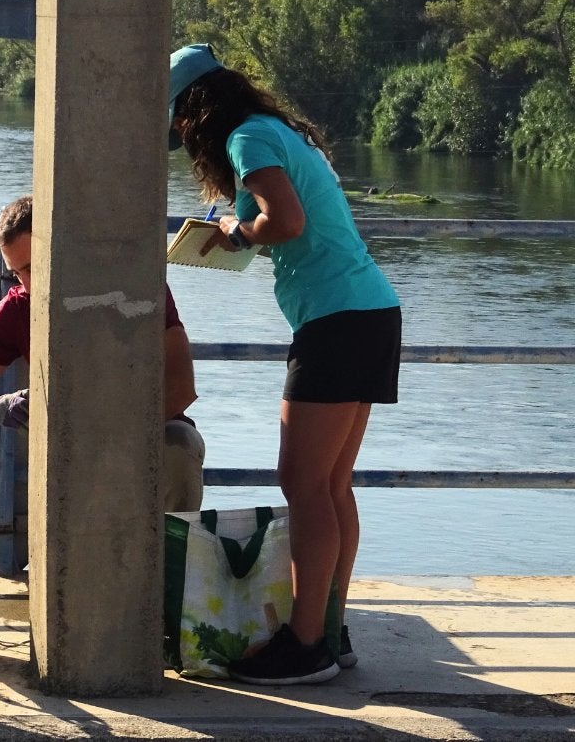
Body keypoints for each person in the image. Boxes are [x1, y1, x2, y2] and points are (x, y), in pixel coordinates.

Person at [168, 43, 402, 686]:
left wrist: (236, 234)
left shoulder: (246, 139)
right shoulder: (276, 131)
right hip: (369, 312)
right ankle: (330, 630)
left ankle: (305, 646)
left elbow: (286, 221)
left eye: (178, 125)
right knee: (328, 486)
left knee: (302, 484)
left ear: (194, 111)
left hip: (336, 321)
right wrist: (240, 228)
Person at [0, 195, 207, 514]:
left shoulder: (135, 285)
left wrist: (111, 435)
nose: (27, 283)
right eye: (16, 273)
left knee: (181, 444)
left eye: (33, 267)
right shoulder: (17, 307)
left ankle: (174, 556)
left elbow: (180, 387)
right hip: (70, 447)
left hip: (151, 432)